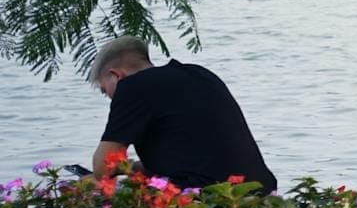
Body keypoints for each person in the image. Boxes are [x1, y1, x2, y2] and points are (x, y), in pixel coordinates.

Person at [89, 38, 277, 193]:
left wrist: (118, 170)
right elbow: (190, 155)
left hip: (207, 199)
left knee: (91, 189)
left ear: (116, 75)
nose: (110, 99)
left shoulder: (132, 87)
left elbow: (102, 168)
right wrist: (134, 168)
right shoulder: (199, 74)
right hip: (261, 192)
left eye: (105, 91)